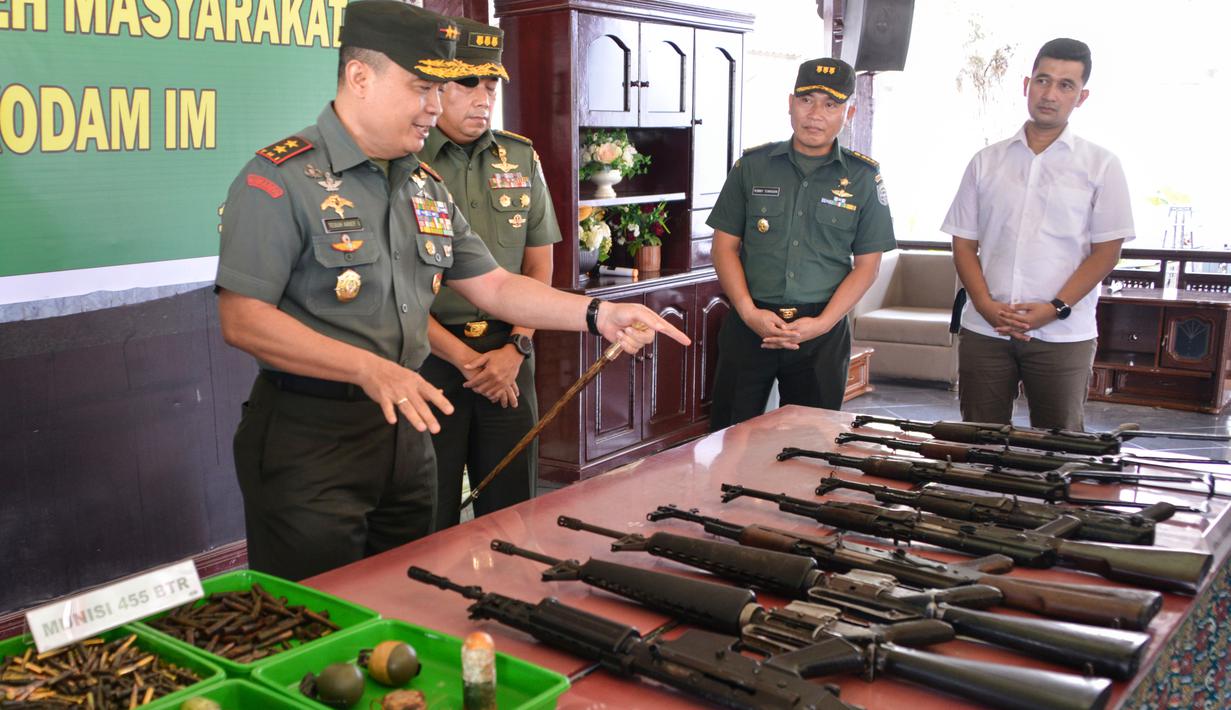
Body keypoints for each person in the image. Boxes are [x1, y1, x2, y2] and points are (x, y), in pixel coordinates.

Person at [214, 0, 688, 581]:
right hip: (312, 435)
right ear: (360, 78)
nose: (434, 107)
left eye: (440, 91)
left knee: (406, 599)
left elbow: (494, 284)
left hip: (407, 434)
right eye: (421, 88)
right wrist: (367, 368)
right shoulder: (280, 179)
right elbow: (243, 319)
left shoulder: (423, 186)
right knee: (315, 620)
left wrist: (598, 314)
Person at [942, 38, 1133, 431]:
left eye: (1066, 85)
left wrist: (1054, 308)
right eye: (1043, 81)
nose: (1050, 94)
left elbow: (1106, 253)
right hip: (986, 329)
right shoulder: (986, 162)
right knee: (980, 441)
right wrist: (983, 303)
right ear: (1027, 84)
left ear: (1081, 97)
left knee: (1059, 445)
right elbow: (963, 242)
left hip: (1063, 332)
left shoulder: (1101, 166)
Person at [417, 18, 561, 529]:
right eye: (467, 83)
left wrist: (516, 348)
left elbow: (539, 264)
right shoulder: (405, 161)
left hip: (510, 352)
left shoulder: (519, 157)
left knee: (513, 506)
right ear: (435, 86)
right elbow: (397, 286)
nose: (483, 97)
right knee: (428, 513)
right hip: (429, 358)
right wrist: (467, 362)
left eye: (491, 83)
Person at [706, 58, 896, 431]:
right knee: (728, 436)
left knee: (812, 445)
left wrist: (823, 323)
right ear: (791, 102)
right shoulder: (752, 166)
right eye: (808, 100)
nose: (816, 114)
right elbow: (724, 247)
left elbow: (867, 266)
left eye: (831, 104)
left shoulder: (862, 177)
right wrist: (747, 312)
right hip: (750, 324)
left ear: (849, 112)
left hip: (821, 334)